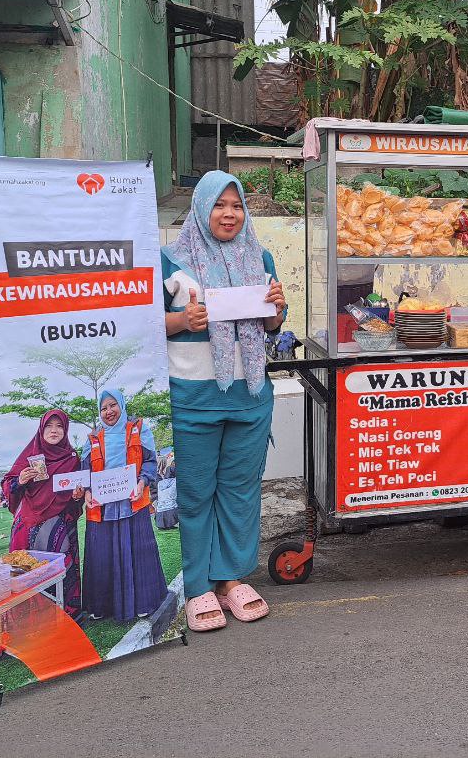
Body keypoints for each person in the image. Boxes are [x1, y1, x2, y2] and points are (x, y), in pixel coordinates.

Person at [162, 171, 286, 632]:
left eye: (236, 205)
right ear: (200, 207)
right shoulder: (171, 259)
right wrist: (181, 321)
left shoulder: (260, 256)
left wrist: (275, 308)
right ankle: (196, 586)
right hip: (193, 397)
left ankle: (230, 578)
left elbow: (272, 325)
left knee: (240, 491)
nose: (229, 214)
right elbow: (144, 324)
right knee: (195, 493)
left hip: (249, 395)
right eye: (220, 205)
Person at [80, 388, 168, 621]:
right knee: (102, 555)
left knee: (138, 551)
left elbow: (149, 462)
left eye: (112, 405)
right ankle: (102, 607)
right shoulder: (92, 439)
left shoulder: (139, 429)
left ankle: (143, 602)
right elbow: (85, 472)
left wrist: (142, 481)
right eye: (103, 408)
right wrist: (87, 491)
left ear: (121, 405)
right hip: (102, 508)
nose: (108, 411)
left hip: (133, 502)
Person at [1, 409, 84, 617]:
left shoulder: (73, 459)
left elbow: (78, 496)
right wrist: (20, 480)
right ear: (41, 429)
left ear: (65, 430)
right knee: (25, 570)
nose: (54, 431)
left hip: (59, 524)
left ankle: (65, 612)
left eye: (59, 426)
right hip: (28, 521)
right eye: (49, 426)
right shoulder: (30, 454)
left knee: (60, 568)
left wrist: (77, 496)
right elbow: (8, 483)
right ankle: (27, 616)